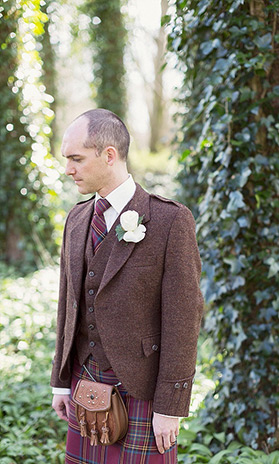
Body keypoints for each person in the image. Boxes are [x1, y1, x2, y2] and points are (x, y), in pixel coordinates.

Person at [51, 108, 204, 464]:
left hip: (143, 392)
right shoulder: (76, 219)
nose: (68, 169)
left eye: (76, 159)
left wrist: (170, 406)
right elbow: (67, 304)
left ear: (109, 155)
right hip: (82, 380)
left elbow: (184, 320)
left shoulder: (170, 220)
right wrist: (60, 380)